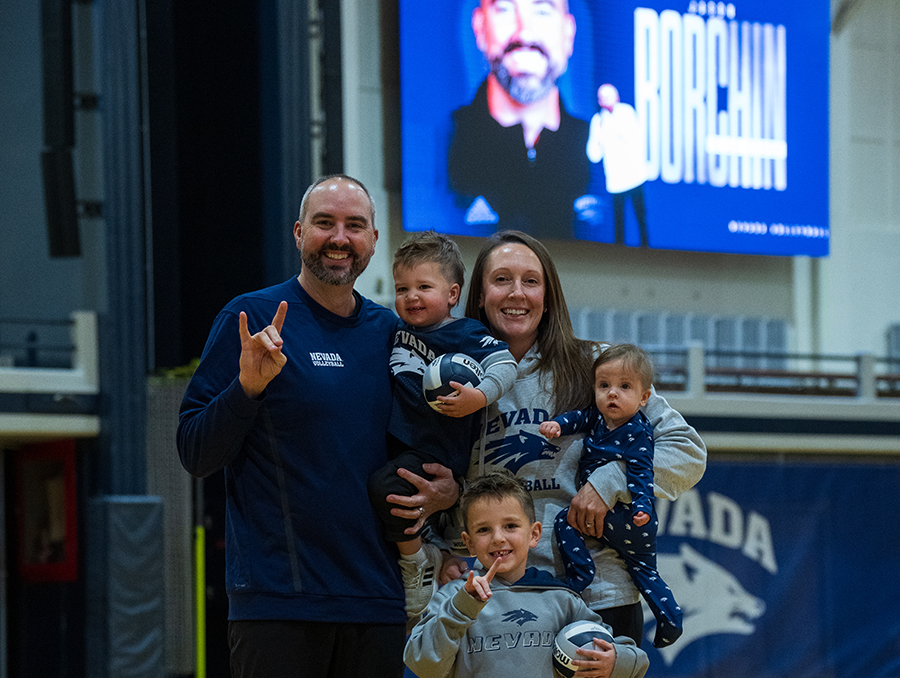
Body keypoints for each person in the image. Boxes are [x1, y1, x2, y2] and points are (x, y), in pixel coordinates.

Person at [177, 174, 421, 678]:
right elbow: (195, 452)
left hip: (376, 604)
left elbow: (420, 445)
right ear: (298, 232)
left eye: (355, 225)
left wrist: (442, 491)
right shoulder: (250, 318)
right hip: (277, 607)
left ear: (374, 240)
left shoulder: (392, 335)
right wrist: (245, 388)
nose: (339, 238)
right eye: (324, 223)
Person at [414, 230, 706, 645]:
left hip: (596, 595)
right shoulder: (449, 377)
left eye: (531, 281)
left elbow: (687, 453)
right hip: (495, 593)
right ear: (478, 295)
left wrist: (609, 482)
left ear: (548, 298)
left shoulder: (596, 367)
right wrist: (446, 527)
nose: (517, 293)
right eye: (501, 280)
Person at [368, 230, 517, 618]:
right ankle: (429, 547)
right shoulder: (395, 330)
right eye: (402, 288)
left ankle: (417, 562)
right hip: (401, 443)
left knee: (387, 488)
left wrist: (479, 395)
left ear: (452, 294)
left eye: (423, 286)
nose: (411, 297)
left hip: (437, 451)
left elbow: (504, 365)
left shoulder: (466, 333)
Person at [404, 471, 650, 678]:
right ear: (468, 543)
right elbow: (424, 665)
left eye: (510, 526)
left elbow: (634, 659)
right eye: (483, 529)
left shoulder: (561, 599)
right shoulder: (453, 597)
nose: (498, 537)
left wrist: (615, 662)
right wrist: (462, 608)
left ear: (534, 534)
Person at [539, 343, 682, 647]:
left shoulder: (638, 432)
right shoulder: (599, 419)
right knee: (643, 570)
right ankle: (670, 619)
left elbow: (642, 472)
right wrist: (558, 425)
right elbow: (577, 418)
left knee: (568, 522)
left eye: (624, 387)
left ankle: (582, 573)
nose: (612, 393)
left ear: (644, 397)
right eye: (604, 386)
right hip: (614, 519)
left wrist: (642, 506)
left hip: (630, 518)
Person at [447, 0, 590, 239]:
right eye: (505, 8)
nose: (524, 32)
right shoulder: (445, 144)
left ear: (568, 33)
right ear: (480, 27)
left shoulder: (598, 151)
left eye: (542, 11)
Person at [586, 84, 650, 247]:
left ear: (617, 97)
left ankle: (647, 251)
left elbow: (636, 139)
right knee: (619, 223)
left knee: (641, 219)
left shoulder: (627, 112)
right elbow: (593, 155)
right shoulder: (597, 120)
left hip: (635, 176)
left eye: (609, 96)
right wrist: (599, 136)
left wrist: (613, 129)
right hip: (615, 182)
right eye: (602, 97)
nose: (605, 100)